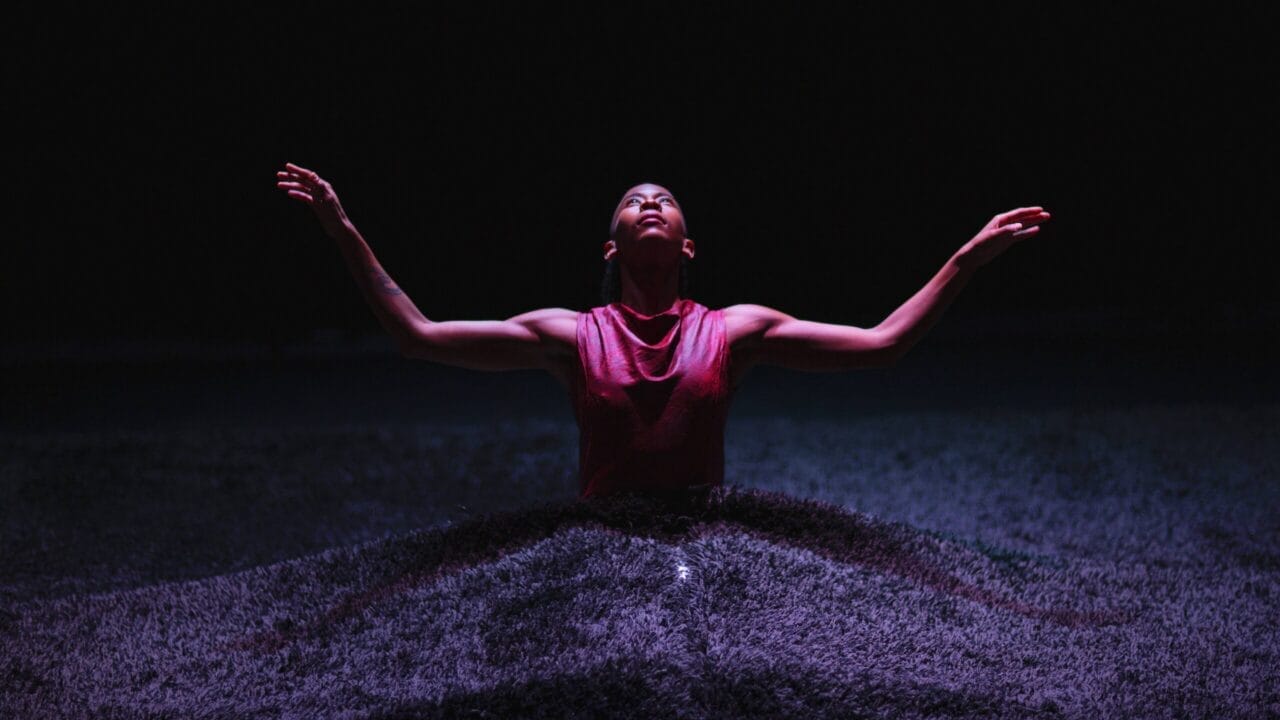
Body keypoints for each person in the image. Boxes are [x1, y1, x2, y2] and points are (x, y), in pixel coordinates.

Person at [276, 162, 1050, 500]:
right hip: (602, 550)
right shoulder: (571, 335)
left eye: (666, 200)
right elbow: (417, 334)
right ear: (611, 245)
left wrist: (967, 257)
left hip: (706, 545)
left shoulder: (736, 329)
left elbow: (883, 343)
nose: (650, 201)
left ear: (687, 245)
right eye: (634, 199)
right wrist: (342, 229)